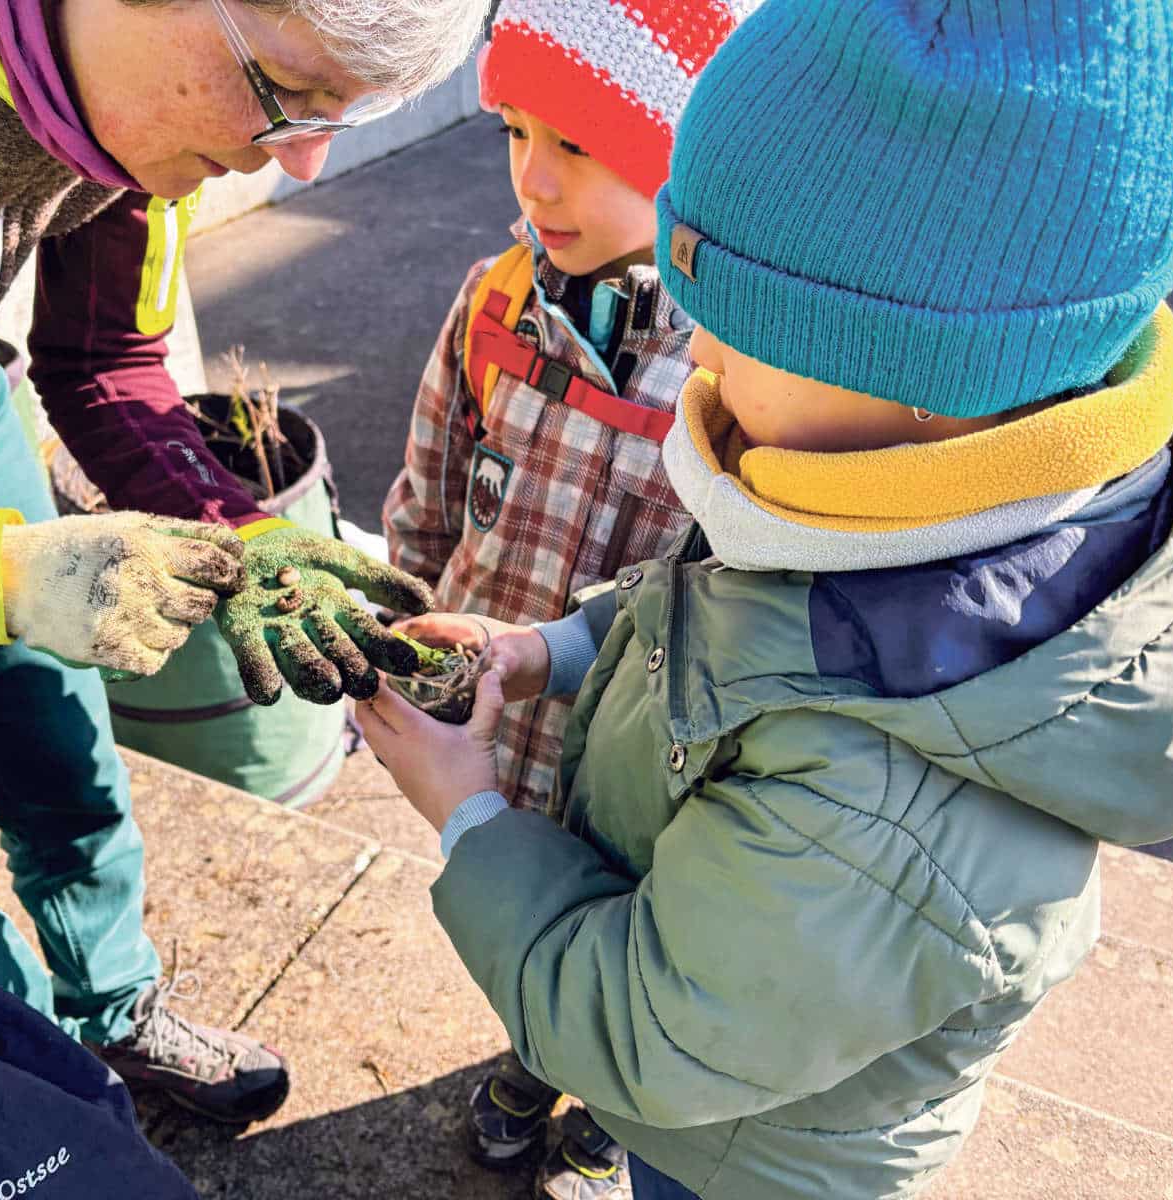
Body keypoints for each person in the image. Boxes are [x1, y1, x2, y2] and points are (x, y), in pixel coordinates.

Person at [361, 1, 1173, 1196]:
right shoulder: (894, 503)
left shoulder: (881, 797)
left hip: (748, 1151)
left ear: (913, 368)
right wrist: (552, 648)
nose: (695, 358)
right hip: (727, 1049)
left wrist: (470, 818)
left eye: (735, 333)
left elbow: (652, 1036)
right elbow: (719, 619)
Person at [0, 0, 483, 1129]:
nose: (304, 157)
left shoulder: (139, 106)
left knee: (62, 751)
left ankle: (114, 1006)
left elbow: (107, 357)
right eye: (287, 91)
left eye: (341, 118)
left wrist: (244, 531)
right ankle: (36, 1097)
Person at [381, 5, 748, 1191]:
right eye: (513, 129)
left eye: (580, 144)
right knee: (516, 902)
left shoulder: (739, 365)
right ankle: (533, 1056)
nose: (533, 178)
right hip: (494, 733)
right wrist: (395, 635)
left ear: (685, 156)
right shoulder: (493, 304)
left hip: (647, 763)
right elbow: (427, 494)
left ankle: (609, 1089)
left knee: (629, 932)